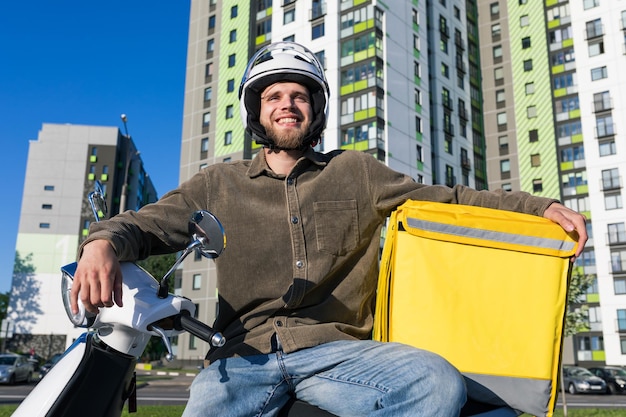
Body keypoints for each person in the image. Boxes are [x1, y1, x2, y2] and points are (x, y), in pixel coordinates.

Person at [71, 42, 587, 417]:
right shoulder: (218, 184)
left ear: (315, 110)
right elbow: (145, 223)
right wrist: (101, 243)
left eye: (299, 95)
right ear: (258, 111)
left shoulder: (357, 172)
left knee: (436, 381)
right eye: (274, 96)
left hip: (337, 352)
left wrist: (537, 207)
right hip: (242, 356)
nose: (287, 104)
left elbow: (449, 200)